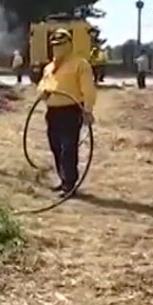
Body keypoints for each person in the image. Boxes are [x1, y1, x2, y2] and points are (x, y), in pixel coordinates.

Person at [37, 29, 97, 196]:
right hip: (53, 112)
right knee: (55, 146)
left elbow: (88, 90)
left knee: (68, 148)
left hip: (71, 111)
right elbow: (42, 85)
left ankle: (69, 183)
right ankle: (63, 178)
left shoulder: (80, 64)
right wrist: (43, 91)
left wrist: (88, 110)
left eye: (61, 44)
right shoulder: (49, 68)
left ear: (69, 45)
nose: (57, 48)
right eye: (55, 45)